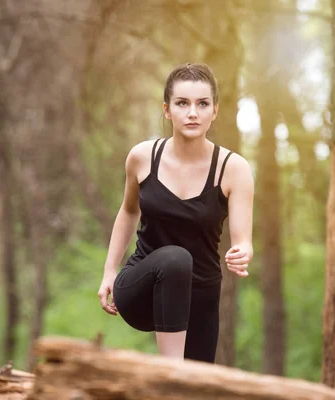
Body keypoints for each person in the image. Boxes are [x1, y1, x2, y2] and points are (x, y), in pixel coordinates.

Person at [97, 63, 254, 362]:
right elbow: (129, 211)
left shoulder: (234, 169)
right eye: (182, 103)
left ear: (215, 111)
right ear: (167, 110)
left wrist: (243, 251)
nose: (192, 112)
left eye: (202, 103)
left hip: (200, 297)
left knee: (198, 391)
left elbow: (242, 239)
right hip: (142, 289)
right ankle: (170, 372)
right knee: (175, 258)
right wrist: (109, 270)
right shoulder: (142, 158)